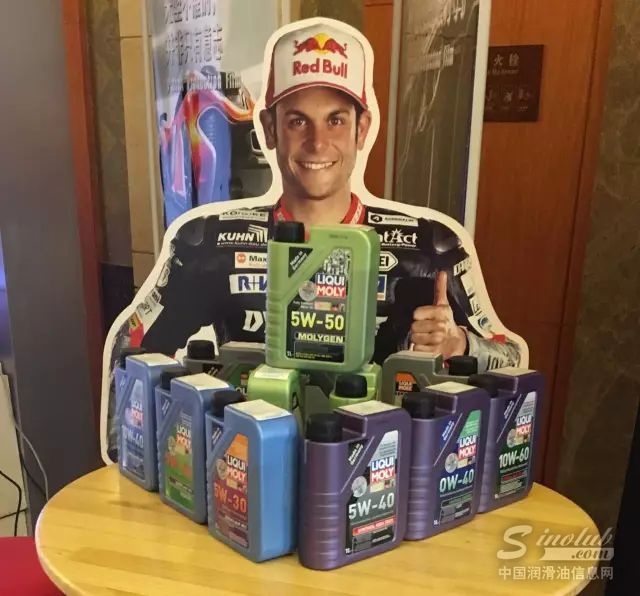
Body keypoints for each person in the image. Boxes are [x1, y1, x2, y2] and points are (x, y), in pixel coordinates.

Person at [102, 18, 526, 461]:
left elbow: (511, 359)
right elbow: (131, 345)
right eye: (297, 121)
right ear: (269, 128)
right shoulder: (210, 242)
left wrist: (461, 344)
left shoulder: (427, 247)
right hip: (245, 474)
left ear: (362, 127)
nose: (317, 142)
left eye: (335, 120)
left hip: (378, 480)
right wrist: (132, 462)